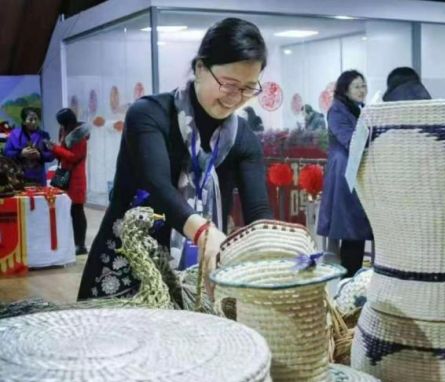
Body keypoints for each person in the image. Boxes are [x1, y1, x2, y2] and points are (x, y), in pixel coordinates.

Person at [78, 18, 272, 300]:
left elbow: (259, 211)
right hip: (127, 259)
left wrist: (273, 250)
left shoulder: (242, 138)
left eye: (248, 88)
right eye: (229, 84)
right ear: (200, 68)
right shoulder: (149, 115)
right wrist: (203, 232)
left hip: (197, 271)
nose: (236, 98)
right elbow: (158, 187)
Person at [317, 70, 373, 277]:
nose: (362, 90)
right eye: (357, 86)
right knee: (351, 227)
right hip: (343, 172)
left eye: (363, 85)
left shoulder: (358, 109)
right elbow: (349, 140)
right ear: (345, 89)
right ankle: (349, 279)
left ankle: (352, 276)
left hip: (353, 170)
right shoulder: (337, 111)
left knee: (354, 228)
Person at [45, 108, 90, 255]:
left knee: (77, 210)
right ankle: (72, 242)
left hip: (76, 178)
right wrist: (54, 148)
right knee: (67, 209)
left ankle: (80, 245)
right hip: (66, 174)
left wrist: (55, 148)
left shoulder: (79, 135)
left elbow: (74, 157)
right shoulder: (65, 131)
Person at [3, 108, 53, 186]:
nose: (34, 122)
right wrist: (21, 153)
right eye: (30, 119)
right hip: (19, 178)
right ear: (24, 121)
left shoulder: (44, 135)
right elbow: (7, 153)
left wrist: (40, 155)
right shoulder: (15, 134)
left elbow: (51, 155)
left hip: (39, 179)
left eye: (36, 119)